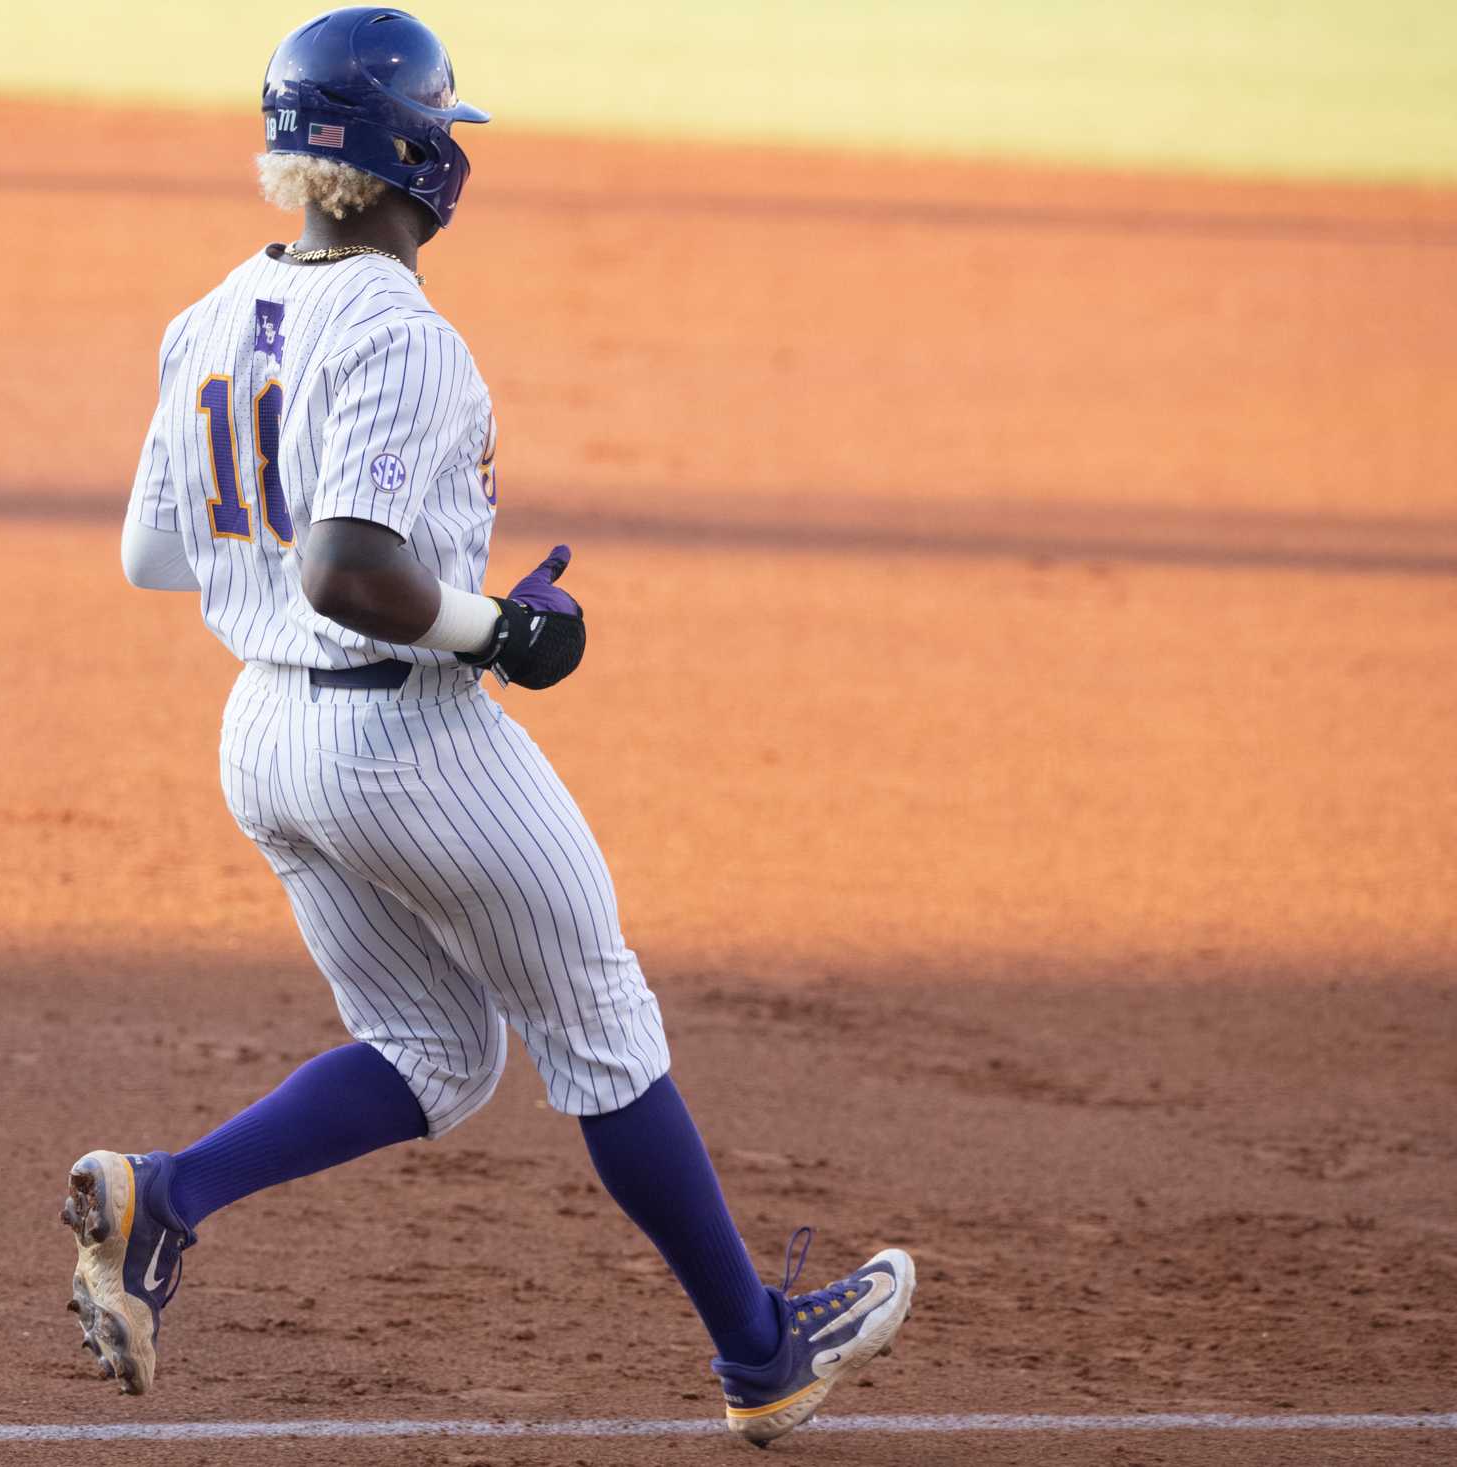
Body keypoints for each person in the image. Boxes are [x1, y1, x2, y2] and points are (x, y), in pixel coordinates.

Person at [67, 7, 914, 1444]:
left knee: (439, 1053)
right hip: (408, 747)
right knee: (601, 1027)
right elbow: (349, 570)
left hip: (265, 741)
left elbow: (160, 556)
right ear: (412, 154)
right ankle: (763, 1355)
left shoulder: (206, 318)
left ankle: (172, 1200)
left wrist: (404, 588)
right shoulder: (402, 332)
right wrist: (502, 629)